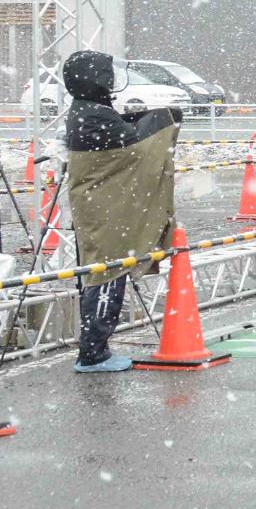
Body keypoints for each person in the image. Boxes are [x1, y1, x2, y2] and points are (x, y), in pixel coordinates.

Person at [62, 51, 180, 373]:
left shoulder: (89, 110)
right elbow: (135, 146)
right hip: (105, 214)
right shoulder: (94, 115)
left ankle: (95, 349)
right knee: (107, 274)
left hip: (100, 211)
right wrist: (166, 118)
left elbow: (125, 134)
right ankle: (94, 353)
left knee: (105, 272)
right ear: (97, 78)